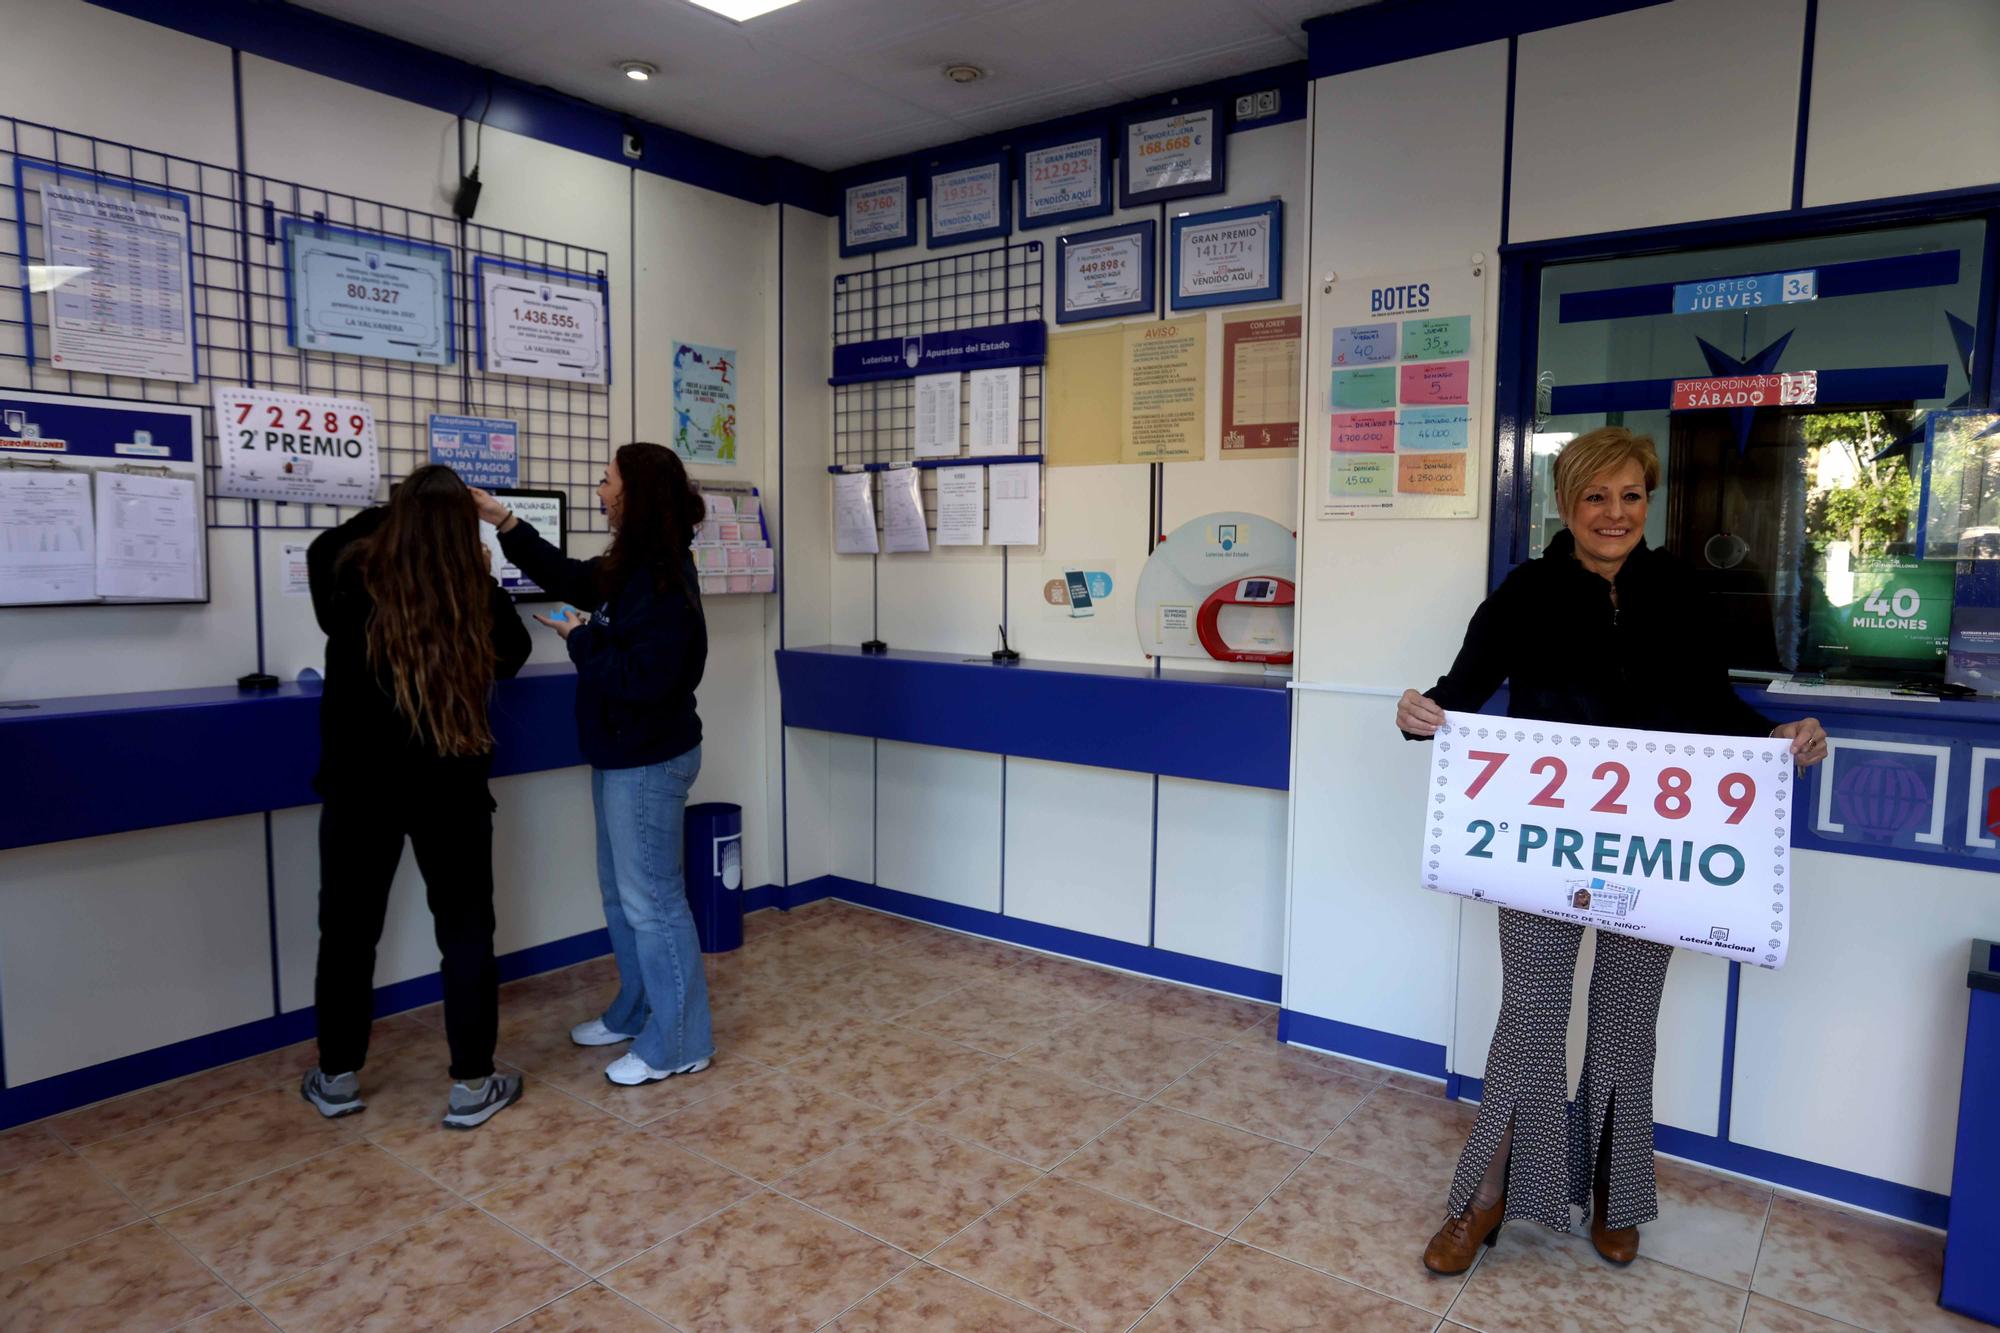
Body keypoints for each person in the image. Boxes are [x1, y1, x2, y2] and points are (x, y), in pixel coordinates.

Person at [1394, 426, 1827, 1273]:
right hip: (1540, 848)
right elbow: (1460, 697)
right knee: (1530, 1021)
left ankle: (1611, 1194)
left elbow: (1715, 708)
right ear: (1567, 503)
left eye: (1632, 496)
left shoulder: (1680, 593)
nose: (1615, 513)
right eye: (1597, 496)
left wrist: (1778, 736)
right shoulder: (1525, 592)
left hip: (1653, 851)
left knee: (1627, 1027)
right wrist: (1419, 714)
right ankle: (1484, 1200)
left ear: (1648, 502)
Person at [472, 442, 714, 1087]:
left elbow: (640, 679)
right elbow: (574, 578)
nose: (598, 490)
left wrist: (580, 637)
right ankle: (638, 1010)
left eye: (607, 481)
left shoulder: (664, 577)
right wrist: (505, 522)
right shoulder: (631, 564)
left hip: (648, 758)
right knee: (622, 896)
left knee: (654, 903)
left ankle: (682, 1040)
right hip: (619, 751)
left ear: (635, 494)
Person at [300, 465, 532, 1129]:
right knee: (465, 934)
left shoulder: (351, 582)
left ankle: (338, 1075)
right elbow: (511, 654)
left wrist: (398, 508)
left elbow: (322, 549)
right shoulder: (471, 591)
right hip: (451, 791)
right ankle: (472, 1082)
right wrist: (473, 563)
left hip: (359, 792)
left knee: (347, 935)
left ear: (392, 520)